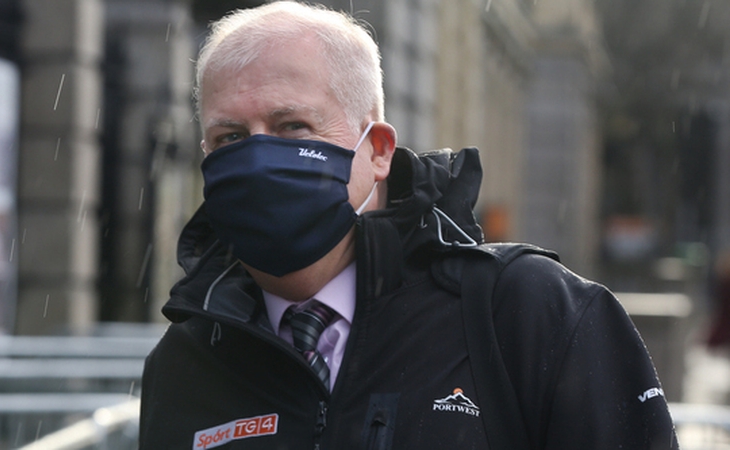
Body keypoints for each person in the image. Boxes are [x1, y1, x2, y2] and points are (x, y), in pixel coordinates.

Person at [140, 2, 678, 449]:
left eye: (292, 126)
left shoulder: (529, 313)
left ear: (377, 150)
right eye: (231, 138)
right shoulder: (185, 364)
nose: (258, 158)